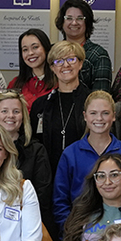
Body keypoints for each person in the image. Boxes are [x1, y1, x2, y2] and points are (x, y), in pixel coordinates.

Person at [53, 90, 121, 229]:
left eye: (105, 113)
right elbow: (60, 200)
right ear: (85, 116)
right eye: (93, 113)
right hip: (80, 228)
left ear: (114, 116)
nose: (99, 118)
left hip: (120, 229)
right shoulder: (70, 154)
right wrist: (70, 231)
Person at [0, 89, 52, 228]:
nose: (10, 116)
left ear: (23, 116)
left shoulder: (36, 151)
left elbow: (43, 197)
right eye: (4, 111)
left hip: (24, 224)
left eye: (16, 111)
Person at [30, 40, 92, 172]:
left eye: (71, 59)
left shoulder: (92, 102)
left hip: (86, 173)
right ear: (52, 68)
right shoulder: (40, 105)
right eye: (59, 61)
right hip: (49, 174)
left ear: (80, 64)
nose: (66, 65)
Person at [55, 0, 111, 92]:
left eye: (80, 18)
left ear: (87, 22)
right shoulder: (53, 52)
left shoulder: (99, 55)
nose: (74, 22)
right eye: (69, 18)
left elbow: (101, 96)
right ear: (62, 22)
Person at [8, 29, 56, 111]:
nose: (30, 53)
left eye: (35, 47)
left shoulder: (59, 81)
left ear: (46, 48)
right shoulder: (14, 84)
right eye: (25, 50)